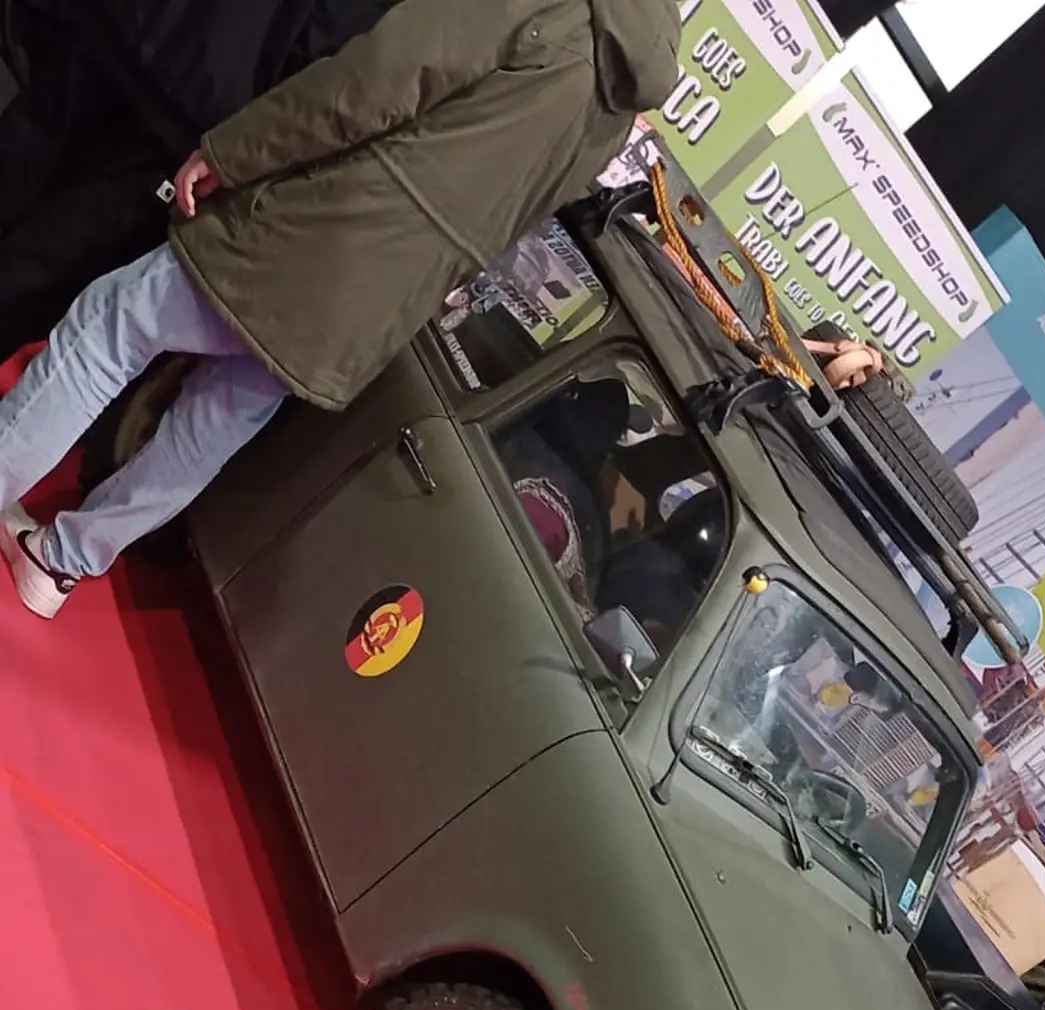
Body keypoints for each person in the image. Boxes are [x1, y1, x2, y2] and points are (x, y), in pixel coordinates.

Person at [0, 0, 681, 618]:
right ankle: (64, 559)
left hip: (321, 225)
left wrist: (232, 151)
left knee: (112, 326)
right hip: (385, 298)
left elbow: (370, 84)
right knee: (213, 422)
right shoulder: (620, 106)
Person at [0, 0, 401, 362]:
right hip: (196, 111)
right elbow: (323, 70)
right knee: (47, 261)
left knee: (20, 159)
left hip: (129, 30)